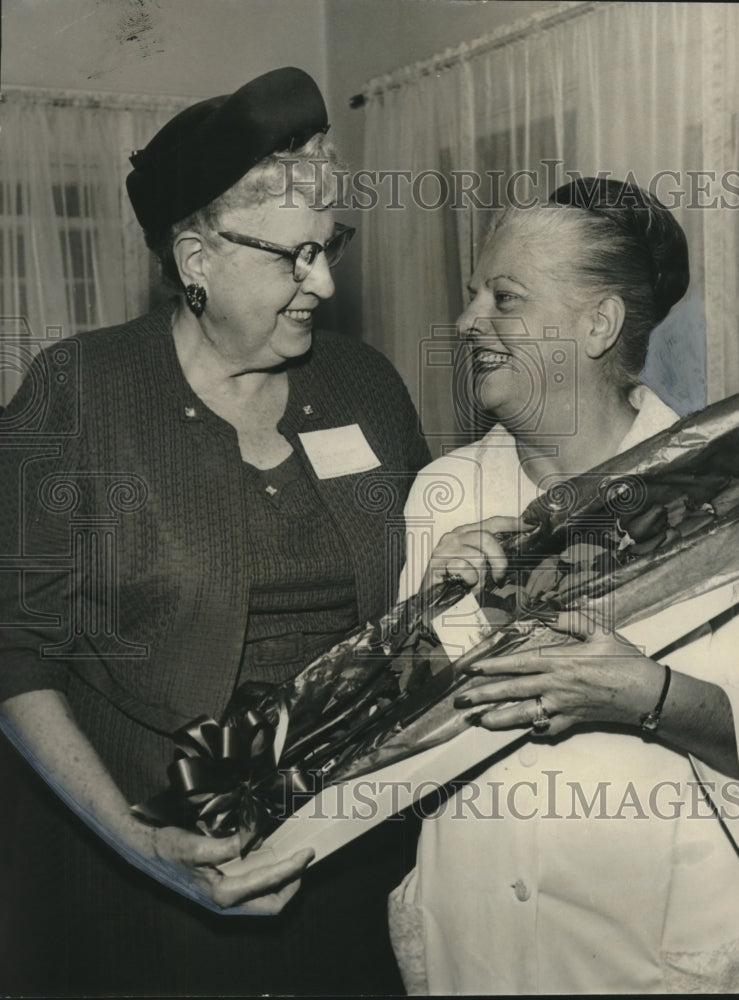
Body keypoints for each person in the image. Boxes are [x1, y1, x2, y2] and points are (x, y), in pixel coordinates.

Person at [0, 67, 431, 996]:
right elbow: (17, 652)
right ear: (195, 258)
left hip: (348, 857)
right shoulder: (80, 392)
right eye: (291, 257)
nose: (323, 280)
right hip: (133, 865)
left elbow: (420, 603)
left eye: (330, 245)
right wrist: (142, 843)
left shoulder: (365, 386)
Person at [389, 178, 739, 993]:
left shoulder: (729, 493)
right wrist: (426, 627)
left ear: (597, 325)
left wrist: (651, 696)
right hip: (479, 936)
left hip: (661, 942)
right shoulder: (441, 491)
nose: (466, 323)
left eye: (504, 297)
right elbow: (391, 736)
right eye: (471, 296)